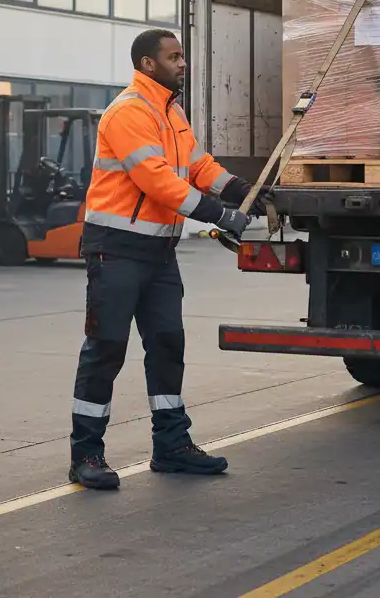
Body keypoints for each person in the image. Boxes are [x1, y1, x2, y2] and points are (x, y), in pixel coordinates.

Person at [68, 28, 269, 490]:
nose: (182, 63)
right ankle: (86, 455)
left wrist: (243, 191)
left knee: (166, 346)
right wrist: (222, 215)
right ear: (147, 64)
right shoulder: (127, 113)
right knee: (106, 350)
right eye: (173, 57)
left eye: (183, 56)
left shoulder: (171, 112)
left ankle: (172, 447)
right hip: (115, 251)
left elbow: (198, 168)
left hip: (159, 254)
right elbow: (156, 181)